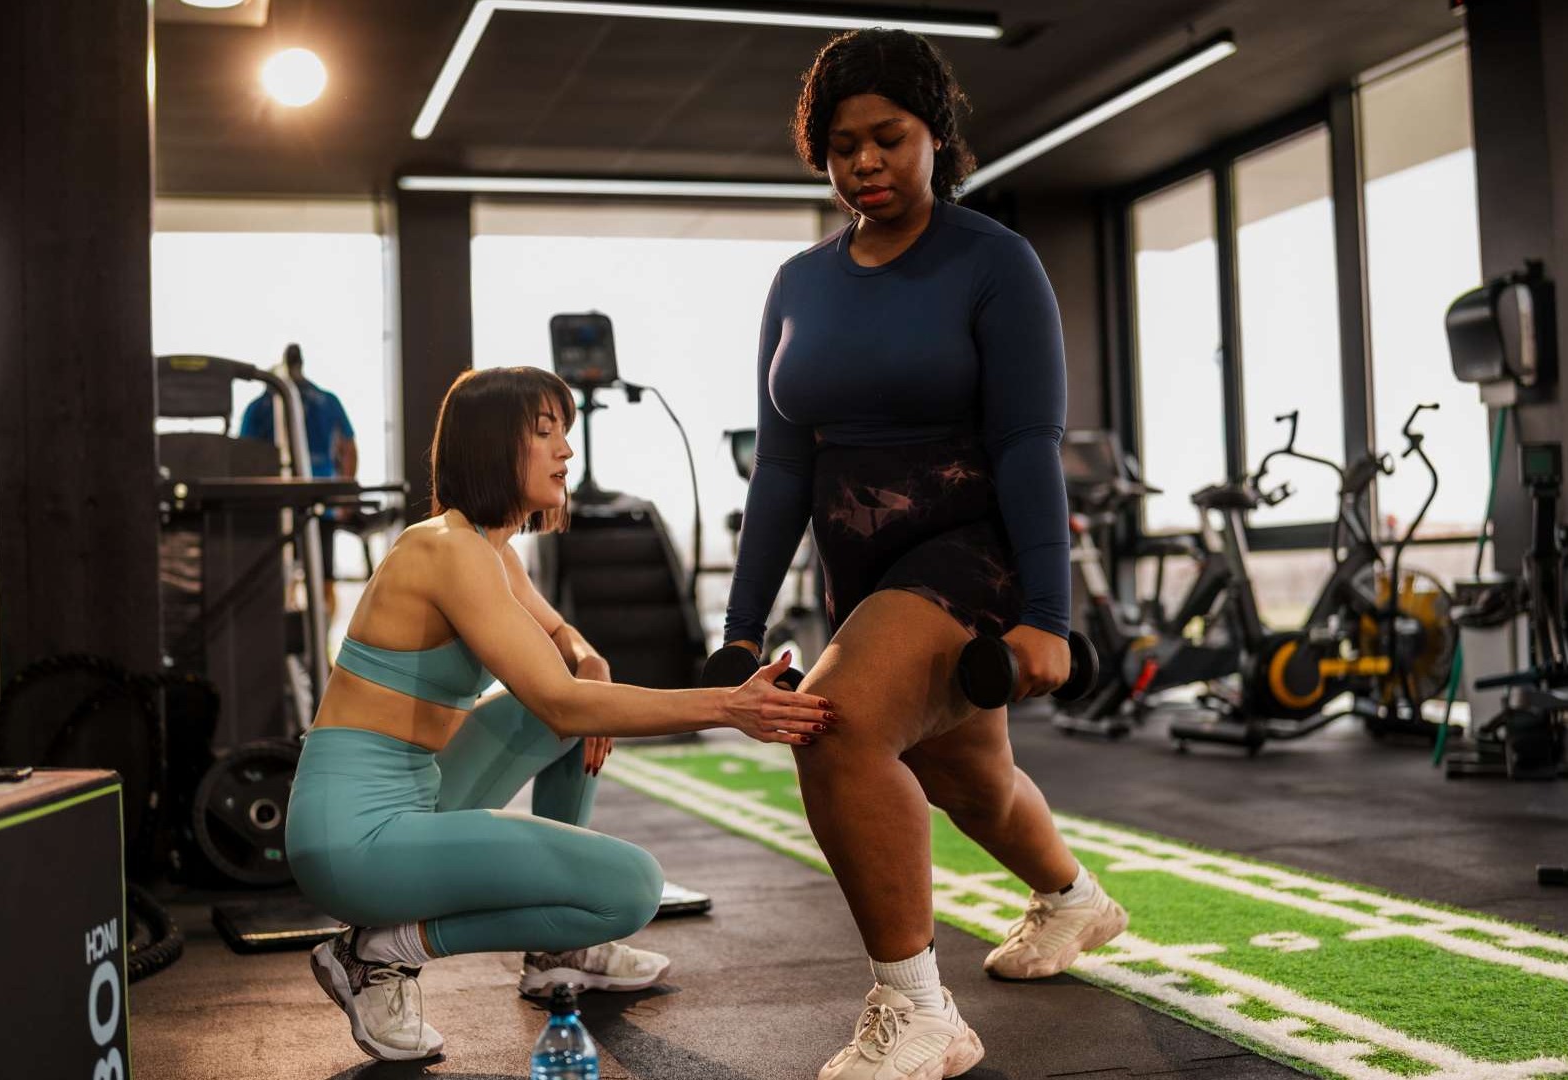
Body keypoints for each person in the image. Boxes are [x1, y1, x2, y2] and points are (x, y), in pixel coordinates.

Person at [720, 29, 1129, 1080]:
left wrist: (1052, 613)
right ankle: (1077, 902)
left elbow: (1028, 444)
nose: (866, 164)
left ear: (936, 137)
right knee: (966, 775)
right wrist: (738, 627)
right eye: (843, 146)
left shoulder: (994, 261)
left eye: (889, 139)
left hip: (970, 548)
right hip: (860, 565)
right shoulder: (798, 282)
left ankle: (917, 1010)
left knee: (841, 730)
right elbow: (779, 473)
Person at [286, 365, 834, 1063]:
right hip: (353, 840)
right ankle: (380, 953)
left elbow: (562, 650)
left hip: (417, 790)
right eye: (544, 433)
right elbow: (558, 698)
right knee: (631, 886)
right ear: (491, 446)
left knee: (560, 711)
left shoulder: (491, 552)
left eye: (564, 433)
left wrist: (588, 657)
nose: (566, 452)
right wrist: (729, 705)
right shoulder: (444, 550)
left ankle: (555, 954)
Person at [237, 343, 357, 618]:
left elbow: (243, 455)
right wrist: (344, 493)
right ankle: (318, 646)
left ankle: (295, 644)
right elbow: (349, 448)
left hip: (280, 502)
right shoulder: (326, 400)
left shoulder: (260, 406)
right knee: (323, 576)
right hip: (321, 498)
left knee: (283, 576)